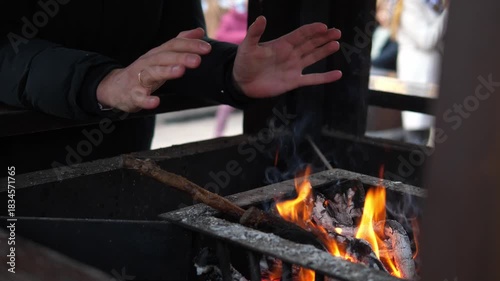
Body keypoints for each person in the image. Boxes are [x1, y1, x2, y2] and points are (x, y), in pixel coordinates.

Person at [0, 1, 342, 173]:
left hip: (121, 163)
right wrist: (100, 81)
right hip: (18, 172)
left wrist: (229, 73)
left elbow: (175, 41)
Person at [395, 0, 449, 144]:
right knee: (417, 137)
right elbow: (426, 40)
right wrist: (448, 12)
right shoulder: (411, 4)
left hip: (431, 78)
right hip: (418, 76)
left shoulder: (431, 4)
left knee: (427, 136)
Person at [213, 1, 248, 137]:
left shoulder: (250, 19)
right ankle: (218, 133)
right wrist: (244, 36)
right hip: (233, 65)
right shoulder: (229, 18)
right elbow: (220, 36)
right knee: (227, 104)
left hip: (248, 64)